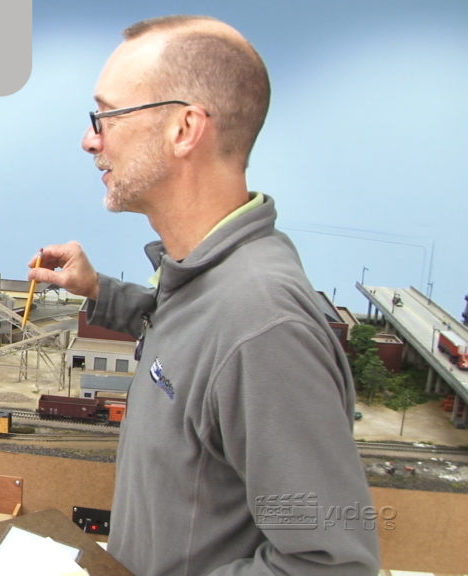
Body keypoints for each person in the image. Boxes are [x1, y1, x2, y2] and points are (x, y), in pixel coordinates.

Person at [28, 16, 380, 575]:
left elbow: (328, 565)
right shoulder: (211, 279)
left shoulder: (265, 327)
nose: (90, 138)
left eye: (107, 115)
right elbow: (195, 344)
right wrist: (99, 292)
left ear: (185, 128)